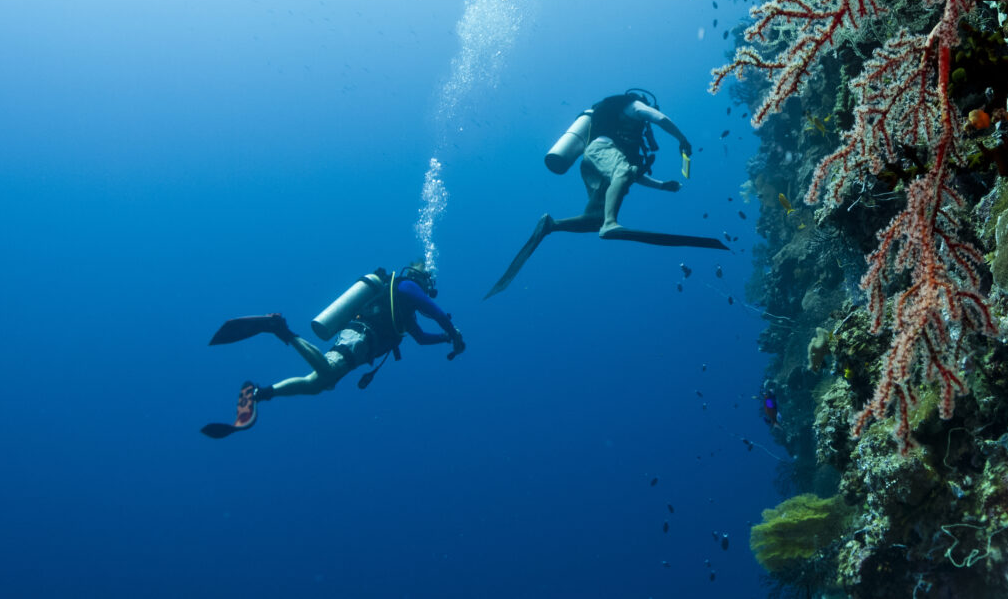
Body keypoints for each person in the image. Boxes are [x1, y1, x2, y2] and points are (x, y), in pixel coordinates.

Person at [485, 89, 725, 299]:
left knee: (595, 217)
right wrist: (682, 139)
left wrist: (662, 185)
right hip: (601, 149)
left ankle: (551, 225)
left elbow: (631, 174)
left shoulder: (625, 137)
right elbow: (659, 119)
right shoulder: (634, 105)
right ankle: (611, 224)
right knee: (622, 176)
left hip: (592, 160)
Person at [200, 262, 464, 438]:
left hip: (363, 342)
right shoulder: (407, 286)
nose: (430, 287)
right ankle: (280, 328)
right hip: (361, 337)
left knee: (318, 384)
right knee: (327, 370)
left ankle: (259, 393)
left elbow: (420, 338)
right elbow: (438, 313)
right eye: (429, 280)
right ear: (421, 276)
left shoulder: (406, 313)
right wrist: (454, 335)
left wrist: (445, 338)